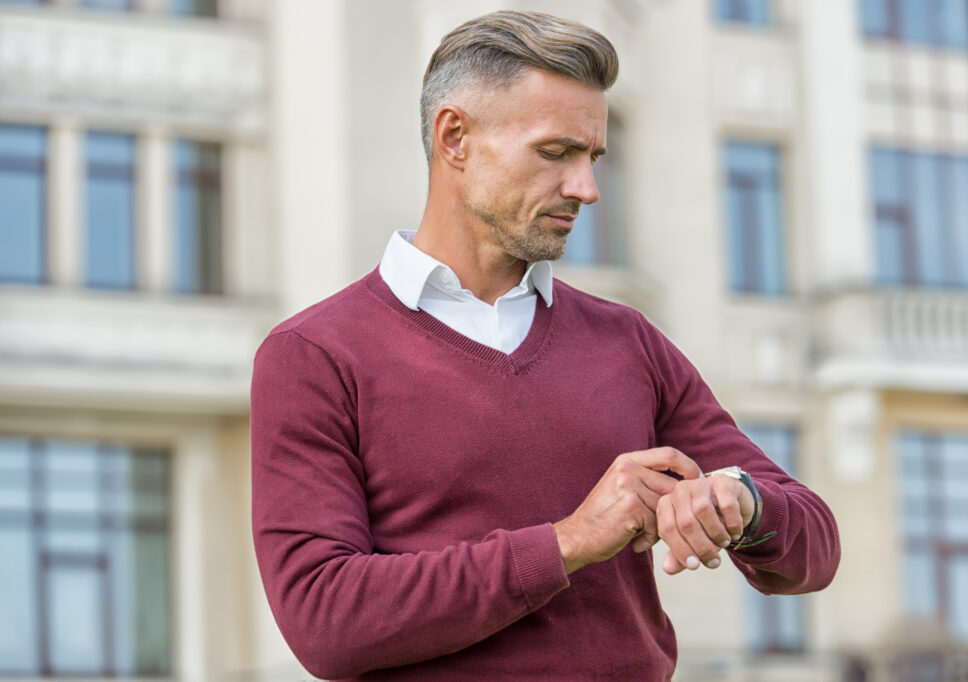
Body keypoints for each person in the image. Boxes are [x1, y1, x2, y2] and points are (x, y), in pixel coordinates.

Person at [250, 10, 839, 681]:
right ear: (454, 138)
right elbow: (325, 622)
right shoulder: (315, 354)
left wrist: (743, 504)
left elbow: (814, 547)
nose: (585, 189)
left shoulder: (628, 342)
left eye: (593, 159)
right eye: (556, 153)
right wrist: (571, 542)